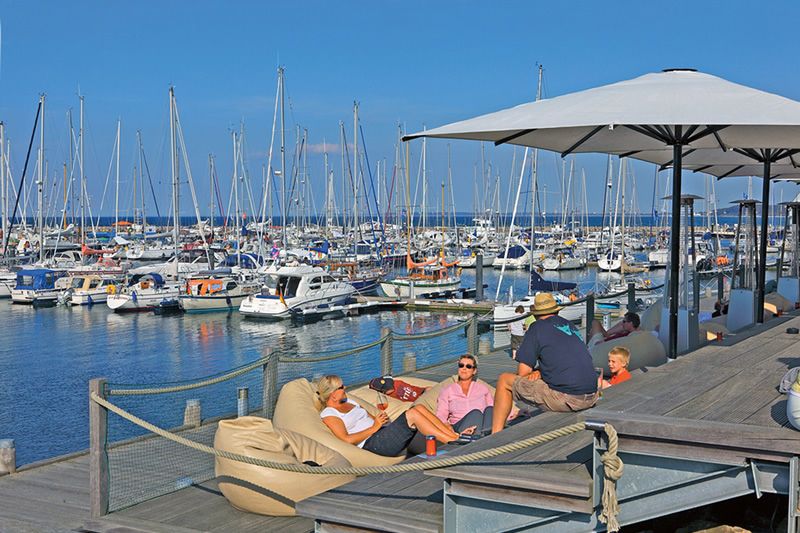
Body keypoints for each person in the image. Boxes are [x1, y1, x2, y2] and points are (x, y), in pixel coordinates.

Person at [491, 292, 599, 433]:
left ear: (535, 314)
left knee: (504, 380)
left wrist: (535, 371)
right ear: (556, 311)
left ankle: (496, 434)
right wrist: (540, 371)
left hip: (569, 399)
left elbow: (523, 372)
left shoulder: (536, 328)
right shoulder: (570, 325)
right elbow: (566, 360)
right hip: (592, 395)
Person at [318, 375, 461, 457]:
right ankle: (453, 443)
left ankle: (453, 435)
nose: (345, 388)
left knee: (419, 407)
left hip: (381, 433)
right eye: (341, 387)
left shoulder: (350, 401)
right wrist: (375, 427)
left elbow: (371, 419)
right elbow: (347, 439)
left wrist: (381, 422)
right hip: (373, 444)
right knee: (412, 414)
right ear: (333, 394)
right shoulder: (329, 413)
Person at [436, 355, 494, 435]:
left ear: (474, 371)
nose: (464, 368)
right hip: (459, 426)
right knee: (476, 413)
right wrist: (446, 425)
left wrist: (512, 415)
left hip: (482, 425)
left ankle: (485, 437)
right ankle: (483, 438)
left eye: (468, 366)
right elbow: (441, 414)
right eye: (461, 365)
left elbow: (495, 408)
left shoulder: (482, 389)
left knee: (490, 409)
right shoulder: (448, 390)